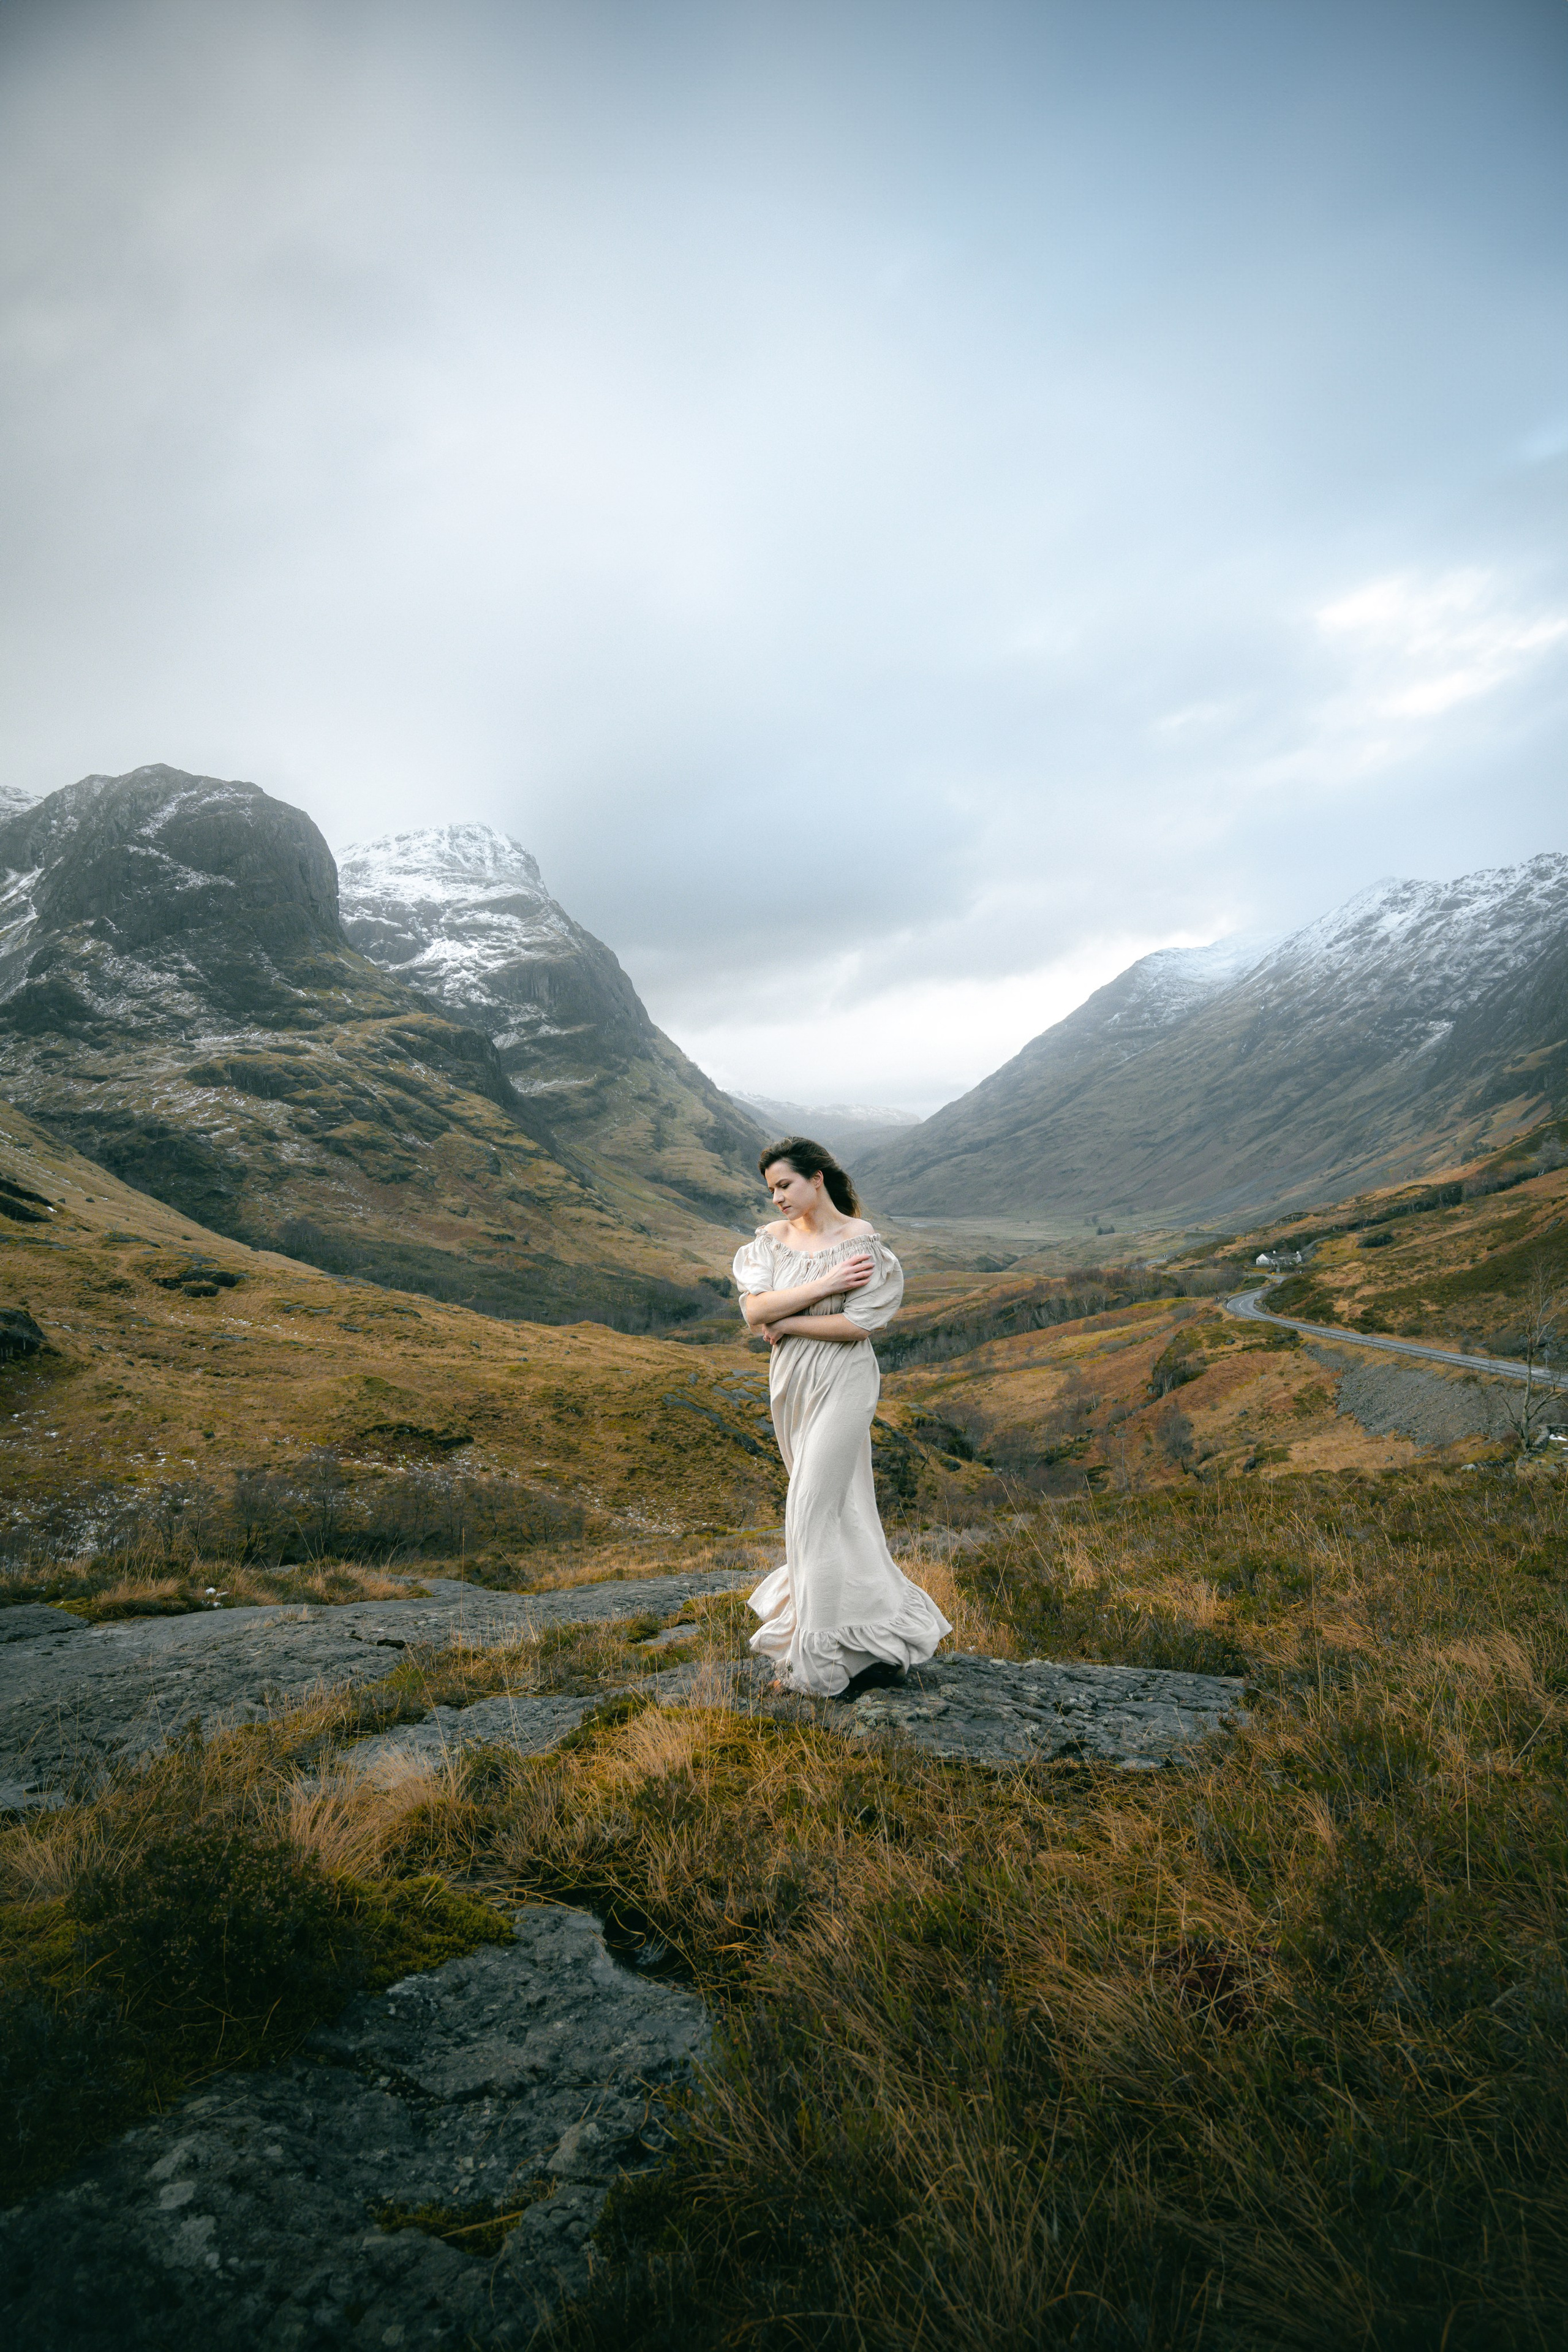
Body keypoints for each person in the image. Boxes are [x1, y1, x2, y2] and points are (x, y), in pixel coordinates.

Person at [731, 1136, 952, 1699]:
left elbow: (859, 1326)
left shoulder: (861, 1241)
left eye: (785, 1185)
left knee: (808, 1511)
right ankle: (870, 1642)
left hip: (845, 1379)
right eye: (771, 1190)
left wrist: (790, 1321)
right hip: (792, 1386)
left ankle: (816, 1665)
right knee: (841, 1512)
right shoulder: (768, 1243)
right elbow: (754, 1310)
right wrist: (824, 1288)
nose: (777, 1199)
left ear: (817, 1179)